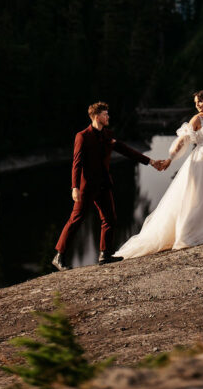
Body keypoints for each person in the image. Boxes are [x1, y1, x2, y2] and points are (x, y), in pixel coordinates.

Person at [116, 90, 203, 259]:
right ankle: (192, 232)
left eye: (200, 102)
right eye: (195, 102)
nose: (197, 105)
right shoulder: (197, 120)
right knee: (202, 195)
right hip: (202, 161)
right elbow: (183, 141)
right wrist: (169, 159)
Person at [52, 101, 167, 270]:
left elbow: (126, 150)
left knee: (110, 219)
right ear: (97, 116)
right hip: (86, 187)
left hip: (104, 185)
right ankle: (59, 256)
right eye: (105, 114)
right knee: (76, 220)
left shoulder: (108, 135)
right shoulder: (82, 136)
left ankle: (104, 255)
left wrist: (150, 161)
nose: (108, 117)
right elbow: (77, 163)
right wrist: (74, 187)